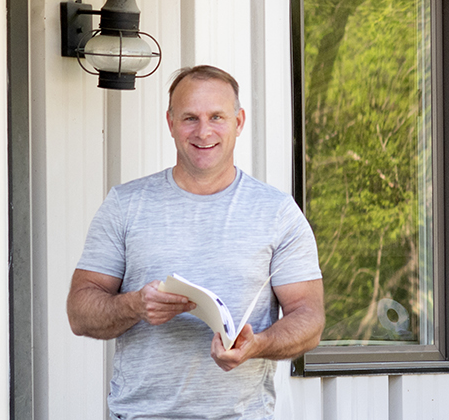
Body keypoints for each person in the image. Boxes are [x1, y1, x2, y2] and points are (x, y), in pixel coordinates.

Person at [67, 65, 324, 420]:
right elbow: (79, 312)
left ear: (239, 121)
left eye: (217, 116)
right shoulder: (125, 205)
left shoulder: (277, 213)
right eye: (190, 118)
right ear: (170, 123)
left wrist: (258, 345)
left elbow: (309, 317)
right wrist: (135, 305)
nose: (203, 131)